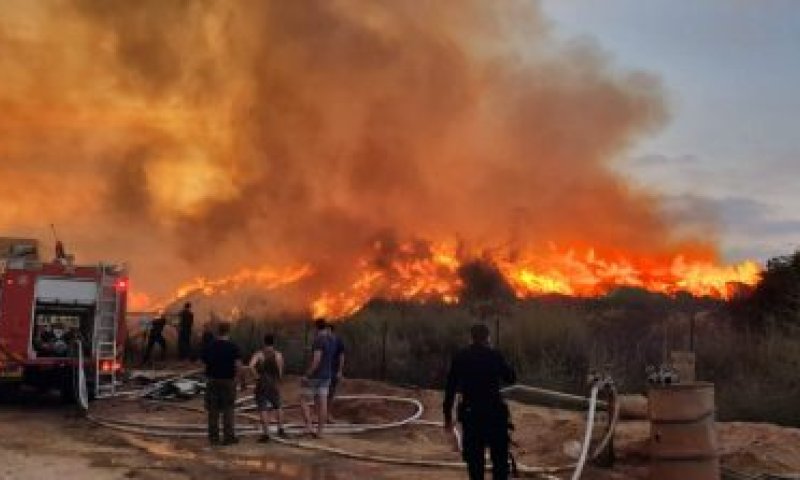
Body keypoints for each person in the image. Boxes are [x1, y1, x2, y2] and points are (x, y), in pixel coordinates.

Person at [443, 323, 516, 480]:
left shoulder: (461, 357)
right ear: (487, 337)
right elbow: (511, 377)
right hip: (494, 415)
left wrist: (448, 417)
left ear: (471, 338)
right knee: (500, 462)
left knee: (475, 464)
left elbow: (450, 389)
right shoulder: (494, 355)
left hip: (471, 416)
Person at [201, 321, 244, 445]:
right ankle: (228, 437)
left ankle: (214, 438)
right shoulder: (233, 347)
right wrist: (242, 380)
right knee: (228, 410)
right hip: (228, 381)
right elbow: (238, 365)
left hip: (212, 381)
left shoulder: (210, 346)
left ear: (217, 331)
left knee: (213, 411)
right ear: (228, 331)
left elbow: (204, 361)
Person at [300, 319, 334, 438]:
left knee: (303, 399)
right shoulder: (332, 339)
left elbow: (317, 360)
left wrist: (307, 375)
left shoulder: (318, 340)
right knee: (322, 403)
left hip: (316, 376)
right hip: (327, 375)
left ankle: (309, 425)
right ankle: (320, 432)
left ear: (316, 328)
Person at [248, 334, 285, 442]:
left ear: (264, 342)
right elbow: (280, 370)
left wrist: (256, 376)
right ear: (273, 342)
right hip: (274, 383)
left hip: (262, 383)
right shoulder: (278, 355)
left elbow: (250, 366)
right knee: (278, 406)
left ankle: (266, 434)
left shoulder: (259, 354)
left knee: (262, 408)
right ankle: (281, 429)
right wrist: (279, 380)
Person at [326, 323, 346, 423]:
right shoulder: (322, 341)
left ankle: (328, 415)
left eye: (327, 330)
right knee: (321, 394)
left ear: (330, 330)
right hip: (323, 372)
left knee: (330, 394)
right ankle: (321, 415)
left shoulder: (338, 341)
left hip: (333, 371)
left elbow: (342, 357)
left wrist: (339, 371)